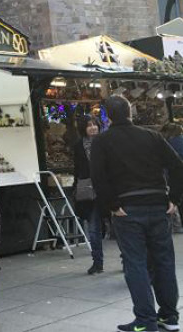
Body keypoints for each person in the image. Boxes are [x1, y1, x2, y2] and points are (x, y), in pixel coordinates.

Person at [90, 95, 183, 332]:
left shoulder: (102, 141)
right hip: (157, 203)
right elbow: (176, 165)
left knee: (136, 264)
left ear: (108, 116)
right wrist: (173, 198)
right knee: (164, 261)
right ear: (130, 112)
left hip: (127, 208)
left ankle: (145, 319)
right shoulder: (151, 135)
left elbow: (98, 177)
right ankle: (169, 317)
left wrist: (111, 205)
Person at [73, 115, 104, 275]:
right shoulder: (78, 146)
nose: (92, 128)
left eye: (94, 124)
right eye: (89, 125)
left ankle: (125, 260)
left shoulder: (106, 141)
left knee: (120, 229)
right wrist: (76, 187)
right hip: (89, 190)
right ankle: (97, 262)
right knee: (93, 228)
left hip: (108, 189)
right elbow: (77, 168)